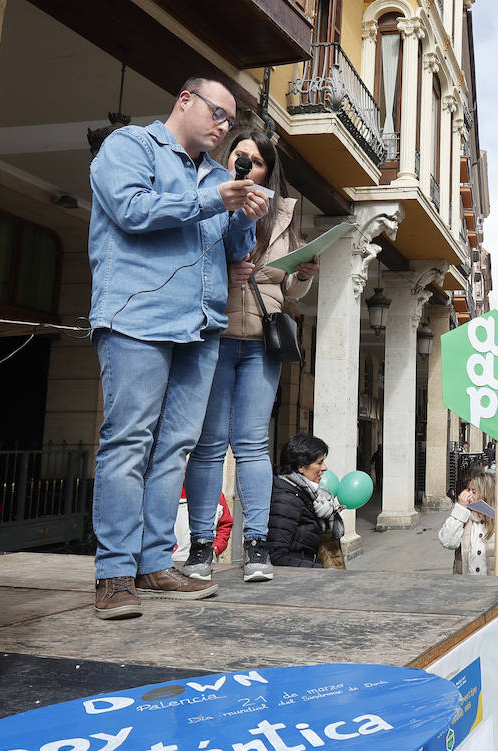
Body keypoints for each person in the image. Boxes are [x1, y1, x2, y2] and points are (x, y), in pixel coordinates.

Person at [87, 76, 268, 619]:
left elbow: (234, 254)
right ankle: (115, 574)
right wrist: (214, 199)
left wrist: (244, 218)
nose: (223, 127)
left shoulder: (218, 176)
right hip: (137, 316)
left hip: (201, 325)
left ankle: (154, 562)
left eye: (230, 123)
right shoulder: (130, 147)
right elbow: (132, 210)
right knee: (129, 441)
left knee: (175, 448)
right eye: (218, 113)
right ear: (184, 100)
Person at [183, 127, 319, 584]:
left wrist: (302, 274)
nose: (246, 164)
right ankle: (201, 546)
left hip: (263, 340)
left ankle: (256, 545)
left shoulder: (283, 216)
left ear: (267, 171)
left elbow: (291, 292)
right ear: (227, 159)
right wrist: (224, 270)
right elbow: (188, 256)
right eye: (239, 155)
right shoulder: (208, 196)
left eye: (256, 161)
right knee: (207, 444)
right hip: (216, 334)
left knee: (252, 443)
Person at [267, 434, 344, 568]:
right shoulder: (286, 499)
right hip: (298, 580)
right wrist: (317, 570)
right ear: (301, 467)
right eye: (319, 463)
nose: (324, 467)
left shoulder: (309, 495)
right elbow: (276, 556)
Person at [438, 471, 498, 575]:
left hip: (495, 586)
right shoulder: (464, 516)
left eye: (474, 492)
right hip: (467, 585)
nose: (468, 495)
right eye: (468, 490)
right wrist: (459, 510)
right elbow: (447, 541)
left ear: (486, 494)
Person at [173, 489, 232, 576]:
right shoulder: (170, 492)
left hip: (206, 562)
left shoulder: (216, 494)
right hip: (174, 562)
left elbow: (225, 526)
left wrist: (215, 549)